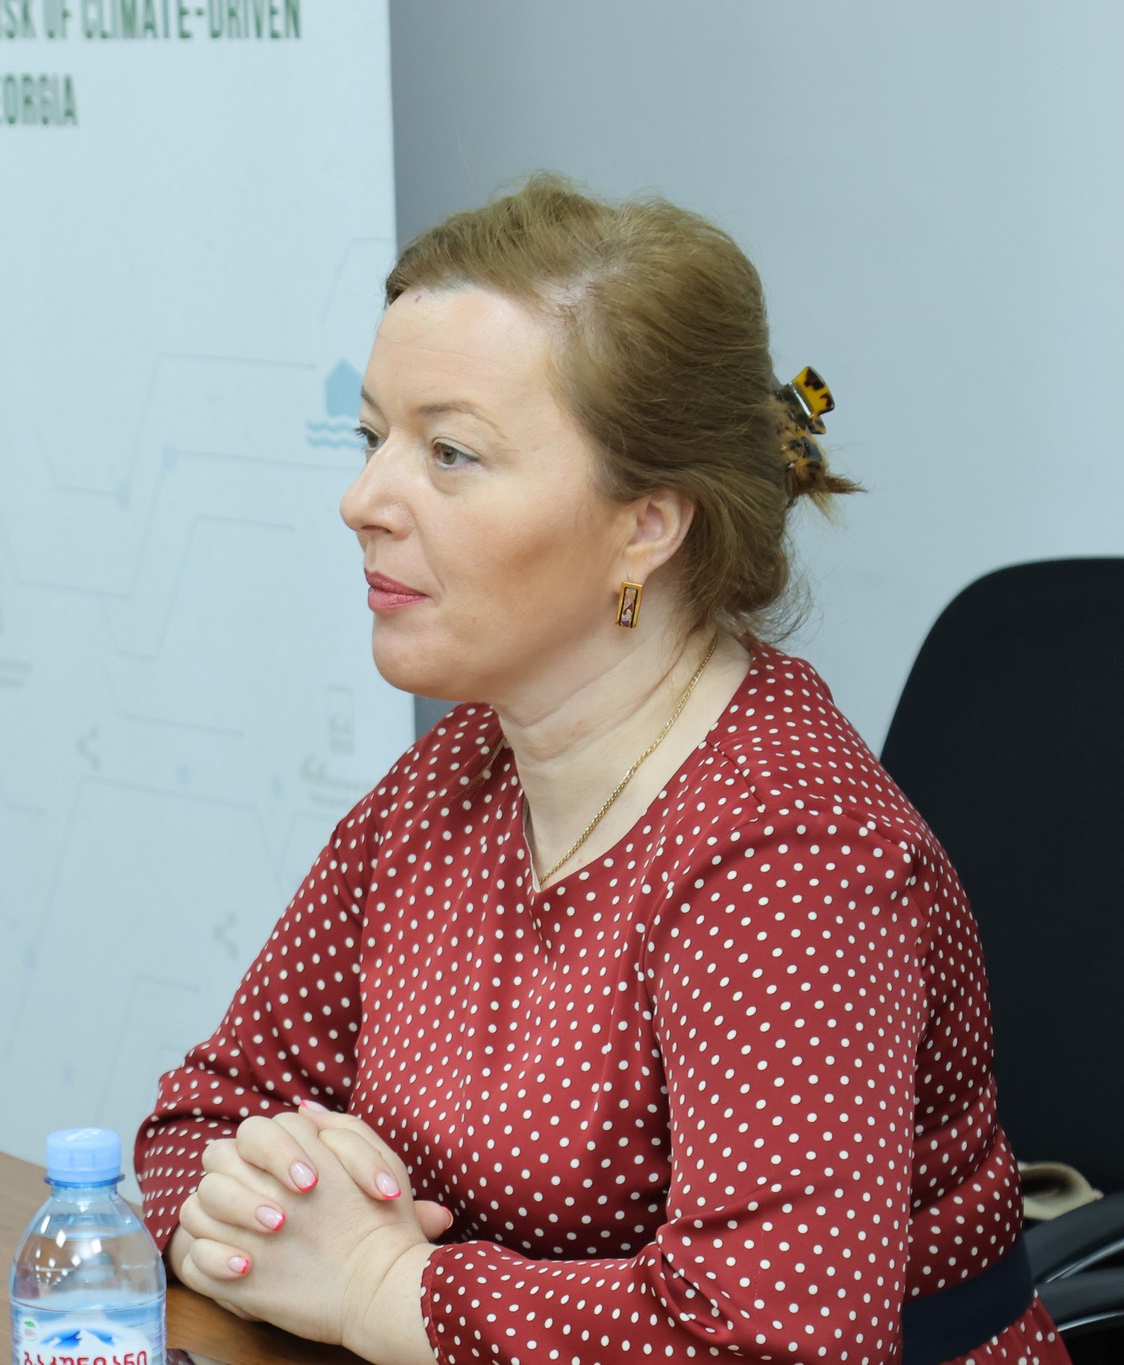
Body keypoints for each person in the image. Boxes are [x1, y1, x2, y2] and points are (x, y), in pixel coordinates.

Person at [133, 175, 1066, 1365]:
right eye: (373, 440)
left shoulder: (792, 855)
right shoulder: (460, 771)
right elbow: (202, 1115)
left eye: (450, 453)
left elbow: (773, 1343)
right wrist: (254, 1208)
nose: (360, 500)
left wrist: (379, 1286)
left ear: (645, 526)